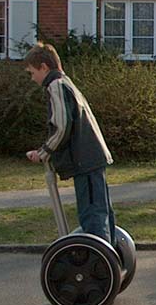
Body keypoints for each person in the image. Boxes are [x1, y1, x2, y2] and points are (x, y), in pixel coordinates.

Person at [24, 42, 117, 245]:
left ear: (44, 67)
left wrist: (44, 152)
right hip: (91, 157)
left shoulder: (55, 85)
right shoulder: (66, 82)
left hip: (85, 160)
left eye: (32, 73)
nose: (32, 78)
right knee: (101, 211)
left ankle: (100, 267)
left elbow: (62, 124)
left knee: (93, 214)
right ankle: (111, 258)